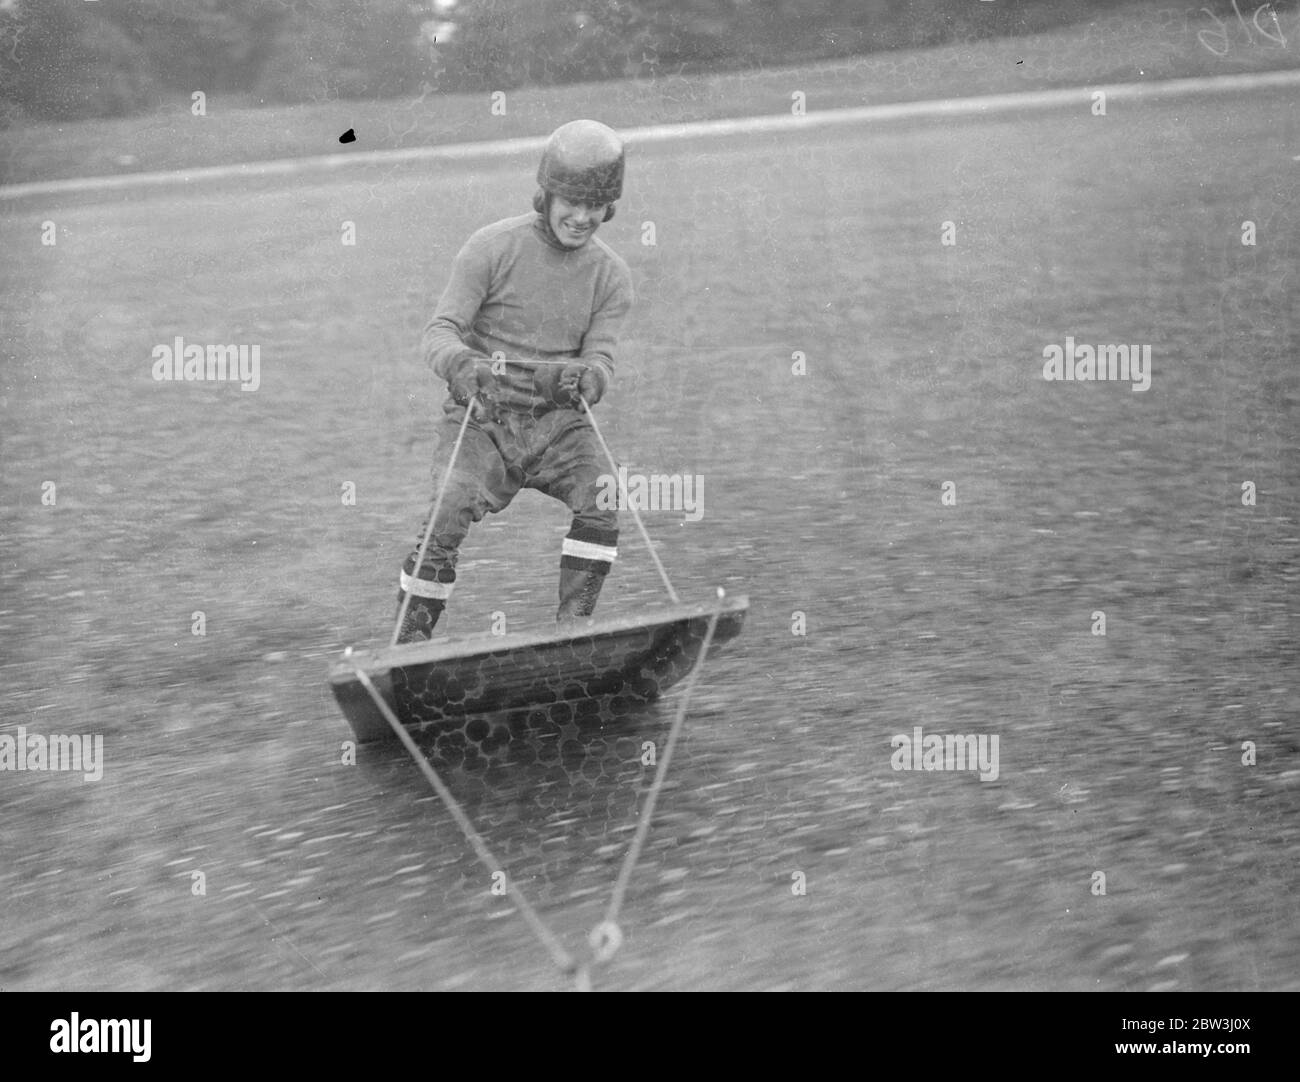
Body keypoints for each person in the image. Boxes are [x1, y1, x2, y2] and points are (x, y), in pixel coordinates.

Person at [395, 119, 635, 643]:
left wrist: (588, 379)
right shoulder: (491, 247)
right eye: (571, 201)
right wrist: (461, 364)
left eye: (596, 206)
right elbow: (439, 332)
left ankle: (573, 633)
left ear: (610, 206)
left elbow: (602, 359)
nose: (583, 217)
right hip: (483, 420)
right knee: (449, 506)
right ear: (546, 195)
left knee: (605, 497)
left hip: (558, 425)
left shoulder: (611, 275)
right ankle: (409, 645)